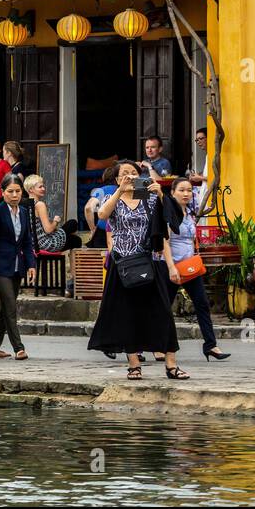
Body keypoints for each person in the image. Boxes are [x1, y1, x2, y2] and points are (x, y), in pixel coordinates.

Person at [87, 160, 187, 379]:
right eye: (125, 174)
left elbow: (170, 222)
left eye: (134, 173)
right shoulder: (113, 198)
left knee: (163, 313)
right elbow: (102, 215)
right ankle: (134, 365)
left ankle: (171, 365)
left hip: (147, 262)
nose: (130, 176)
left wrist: (160, 193)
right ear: (116, 179)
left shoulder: (146, 197)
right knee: (127, 315)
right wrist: (119, 191)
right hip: (122, 264)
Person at [164, 177, 229, 361]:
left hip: (190, 267)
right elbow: (165, 242)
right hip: (173, 268)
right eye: (181, 190)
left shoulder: (190, 213)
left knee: (202, 304)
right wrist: (171, 267)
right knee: (162, 308)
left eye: (189, 190)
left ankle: (211, 345)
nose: (186, 194)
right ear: (172, 193)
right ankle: (151, 346)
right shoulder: (168, 215)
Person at [0, 174, 37, 359]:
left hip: (16, 267)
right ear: (3, 192)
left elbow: (27, 241)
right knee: (11, 305)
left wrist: (31, 264)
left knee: (6, 308)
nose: (14, 195)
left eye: (17, 191)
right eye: (10, 191)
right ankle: (18, 348)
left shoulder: (23, 212)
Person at [23, 174, 76, 254]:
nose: (43, 189)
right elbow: (48, 230)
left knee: (71, 227)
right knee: (74, 230)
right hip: (45, 244)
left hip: (31, 244)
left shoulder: (25, 204)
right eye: (40, 187)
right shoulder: (39, 204)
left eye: (43, 186)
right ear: (31, 189)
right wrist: (55, 221)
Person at [84, 164, 120, 248]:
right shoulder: (125, 191)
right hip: (121, 232)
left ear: (104, 177)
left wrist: (93, 229)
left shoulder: (101, 190)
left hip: (102, 231)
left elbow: (88, 208)